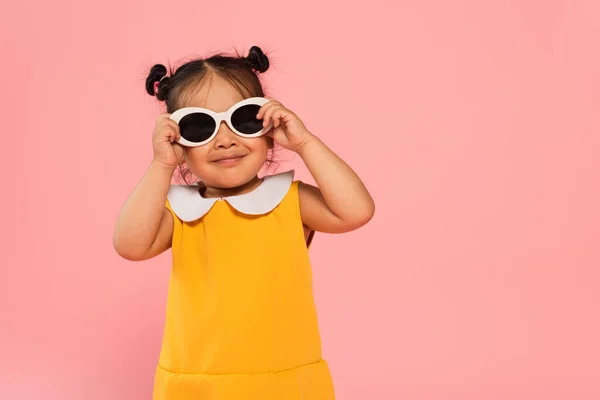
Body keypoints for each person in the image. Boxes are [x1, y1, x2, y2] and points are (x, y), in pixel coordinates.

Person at [113, 45, 375, 400]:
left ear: (268, 127)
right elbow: (129, 245)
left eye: (243, 119)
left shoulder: (289, 201)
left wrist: (305, 142)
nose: (225, 140)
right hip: (196, 383)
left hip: (283, 382)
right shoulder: (181, 212)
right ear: (179, 142)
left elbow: (355, 210)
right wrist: (161, 165)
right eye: (199, 126)